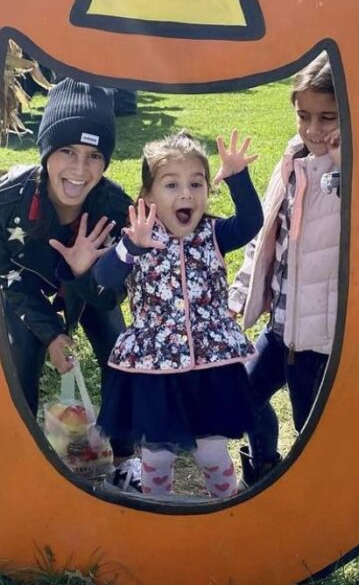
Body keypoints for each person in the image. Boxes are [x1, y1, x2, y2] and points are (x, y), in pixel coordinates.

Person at [76, 130, 263, 499]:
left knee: (212, 452)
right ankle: (156, 511)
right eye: (171, 185)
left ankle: (224, 510)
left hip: (210, 366)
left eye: (196, 183)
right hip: (154, 370)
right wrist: (129, 248)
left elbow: (250, 223)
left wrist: (238, 176)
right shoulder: (138, 239)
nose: (186, 194)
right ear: (148, 197)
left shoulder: (214, 232)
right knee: (157, 456)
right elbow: (105, 277)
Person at [0, 78, 141, 492]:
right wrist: (54, 334)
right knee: (21, 348)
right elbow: (7, 280)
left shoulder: (115, 207)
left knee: (117, 348)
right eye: (67, 152)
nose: (80, 170)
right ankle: (21, 452)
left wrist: (81, 274)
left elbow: (114, 294)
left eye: (94, 155)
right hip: (29, 293)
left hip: (90, 289)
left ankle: (126, 455)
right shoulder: (6, 201)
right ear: (45, 153)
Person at [228, 53, 342, 486]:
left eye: (328, 117)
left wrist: (343, 165)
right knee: (243, 397)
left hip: (320, 340)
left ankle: (342, 520)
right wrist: (239, 296)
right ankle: (263, 472)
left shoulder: (357, 173)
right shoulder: (290, 160)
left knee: (313, 431)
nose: (314, 130)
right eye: (304, 116)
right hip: (279, 329)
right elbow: (263, 238)